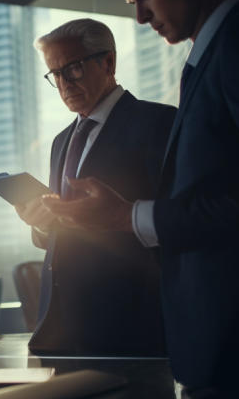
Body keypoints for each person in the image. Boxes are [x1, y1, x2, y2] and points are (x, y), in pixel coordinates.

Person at [47, 0, 239, 399]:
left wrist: (131, 216)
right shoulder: (211, 53)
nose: (140, 16)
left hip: (231, 336)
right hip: (210, 340)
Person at [15, 19, 175, 356]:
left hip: (131, 320)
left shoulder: (159, 123)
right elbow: (61, 238)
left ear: (108, 63)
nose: (63, 83)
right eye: (54, 74)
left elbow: (174, 220)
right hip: (62, 325)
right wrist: (43, 222)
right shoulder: (61, 141)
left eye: (72, 69)